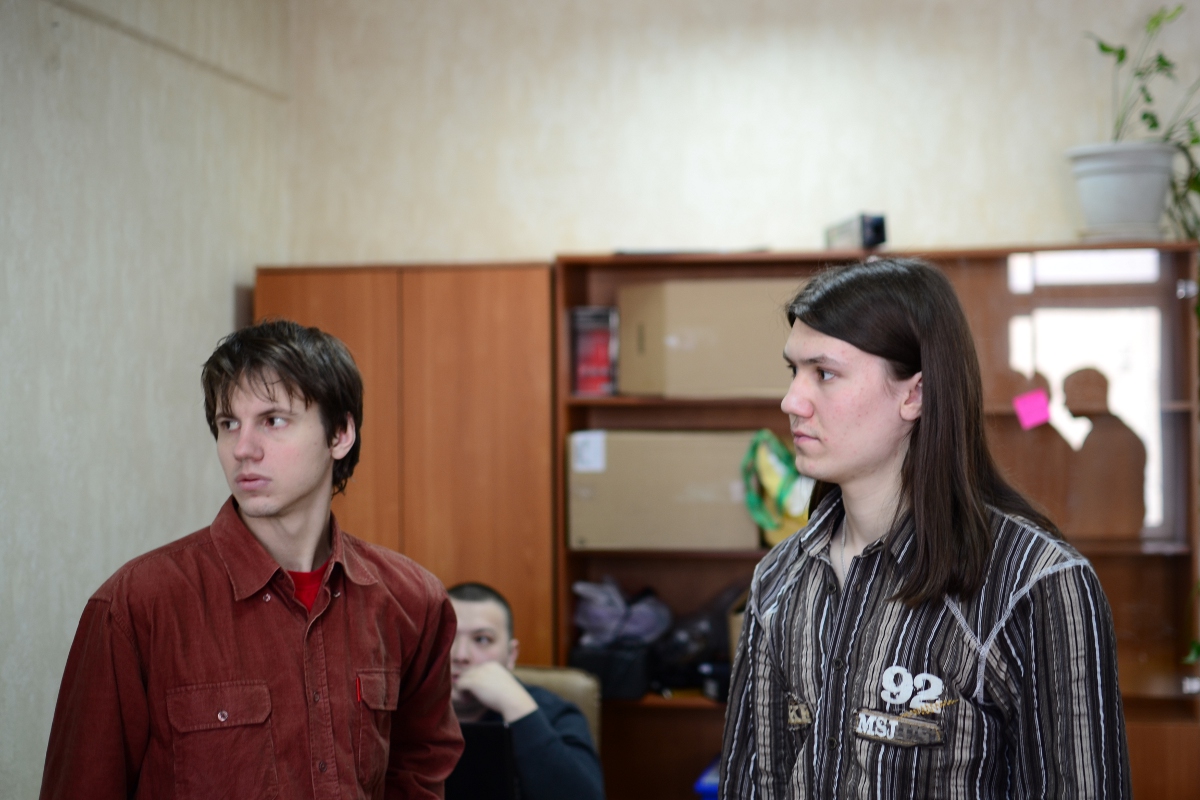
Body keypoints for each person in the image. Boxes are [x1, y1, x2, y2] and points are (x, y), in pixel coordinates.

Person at [720, 259, 1129, 799]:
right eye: (792, 371)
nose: (791, 401)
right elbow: (753, 783)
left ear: (913, 394)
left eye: (824, 373)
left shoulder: (1037, 586)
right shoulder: (780, 579)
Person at [40, 319, 463, 800]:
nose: (242, 449)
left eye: (273, 420)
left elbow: (419, 770)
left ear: (340, 434)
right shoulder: (135, 606)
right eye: (228, 425)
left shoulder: (412, 600)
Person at [447, 582, 605, 800]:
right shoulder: (404, 708)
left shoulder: (555, 714)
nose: (460, 655)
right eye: (448, 636)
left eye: (482, 639)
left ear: (511, 655)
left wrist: (517, 709)